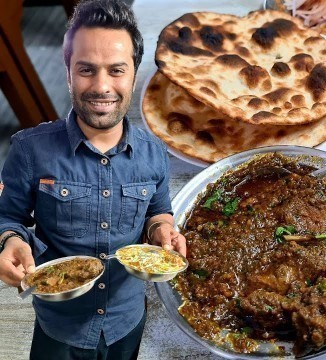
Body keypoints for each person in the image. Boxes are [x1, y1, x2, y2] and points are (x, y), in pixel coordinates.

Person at [0, 0, 186, 359]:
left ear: (134, 72)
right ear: (67, 71)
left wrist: (162, 231)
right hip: (59, 323)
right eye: (86, 69)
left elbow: (158, 211)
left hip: (126, 319)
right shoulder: (28, 150)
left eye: (116, 70)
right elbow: (8, 218)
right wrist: (9, 242)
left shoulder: (156, 153)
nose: (102, 86)